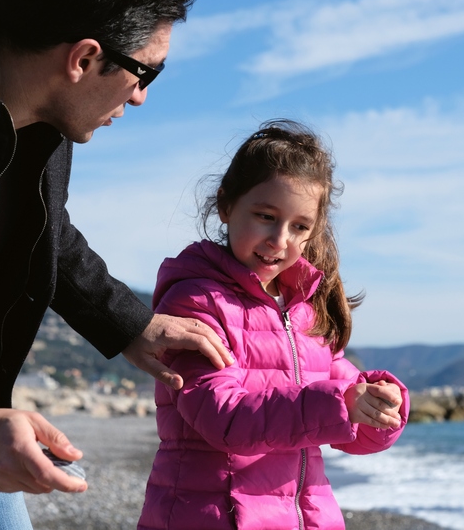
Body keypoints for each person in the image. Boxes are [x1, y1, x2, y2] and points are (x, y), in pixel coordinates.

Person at [0, 0, 233, 528]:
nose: (142, 97)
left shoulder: (42, 114)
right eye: (144, 72)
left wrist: (133, 325)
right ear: (83, 59)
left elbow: (45, 232)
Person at [137, 119, 410, 530]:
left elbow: (350, 425)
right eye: (266, 216)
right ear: (227, 207)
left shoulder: (305, 312)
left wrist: (381, 405)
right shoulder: (197, 301)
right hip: (213, 516)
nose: (280, 239)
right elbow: (222, 417)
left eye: (299, 226)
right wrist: (342, 402)